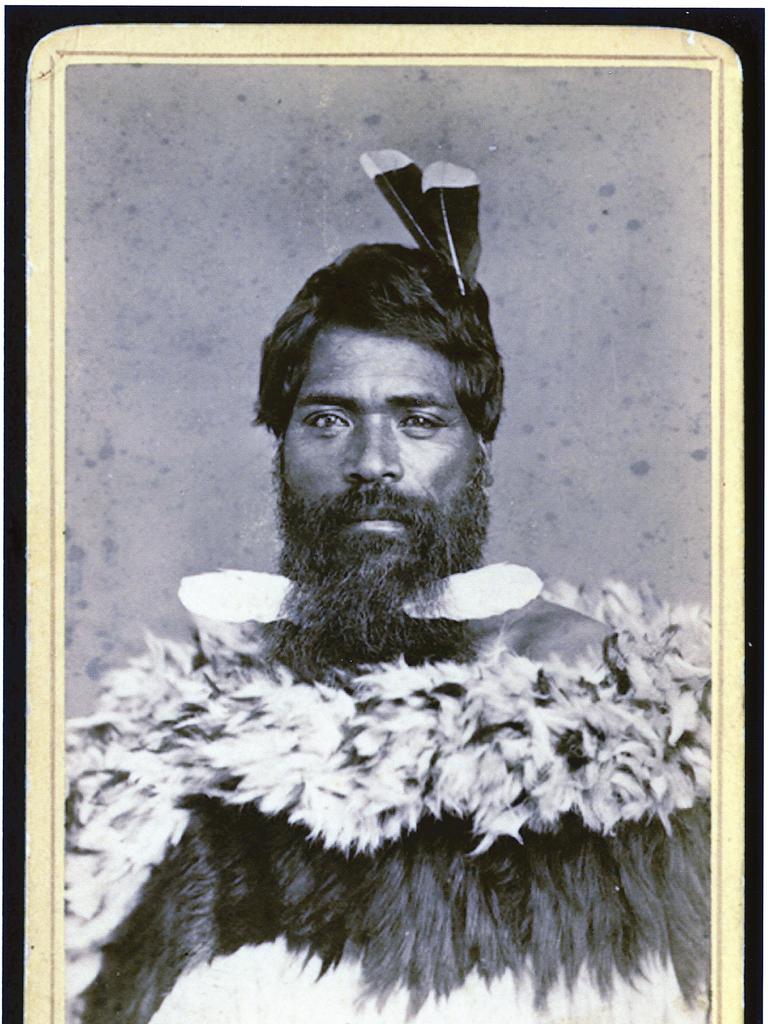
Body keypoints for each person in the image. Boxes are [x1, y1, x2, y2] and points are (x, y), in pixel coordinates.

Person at [66, 166, 711, 1024]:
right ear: (280, 446)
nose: (372, 463)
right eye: (328, 419)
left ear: (477, 450)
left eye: (419, 420)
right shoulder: (187, 724)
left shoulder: (584, 693)